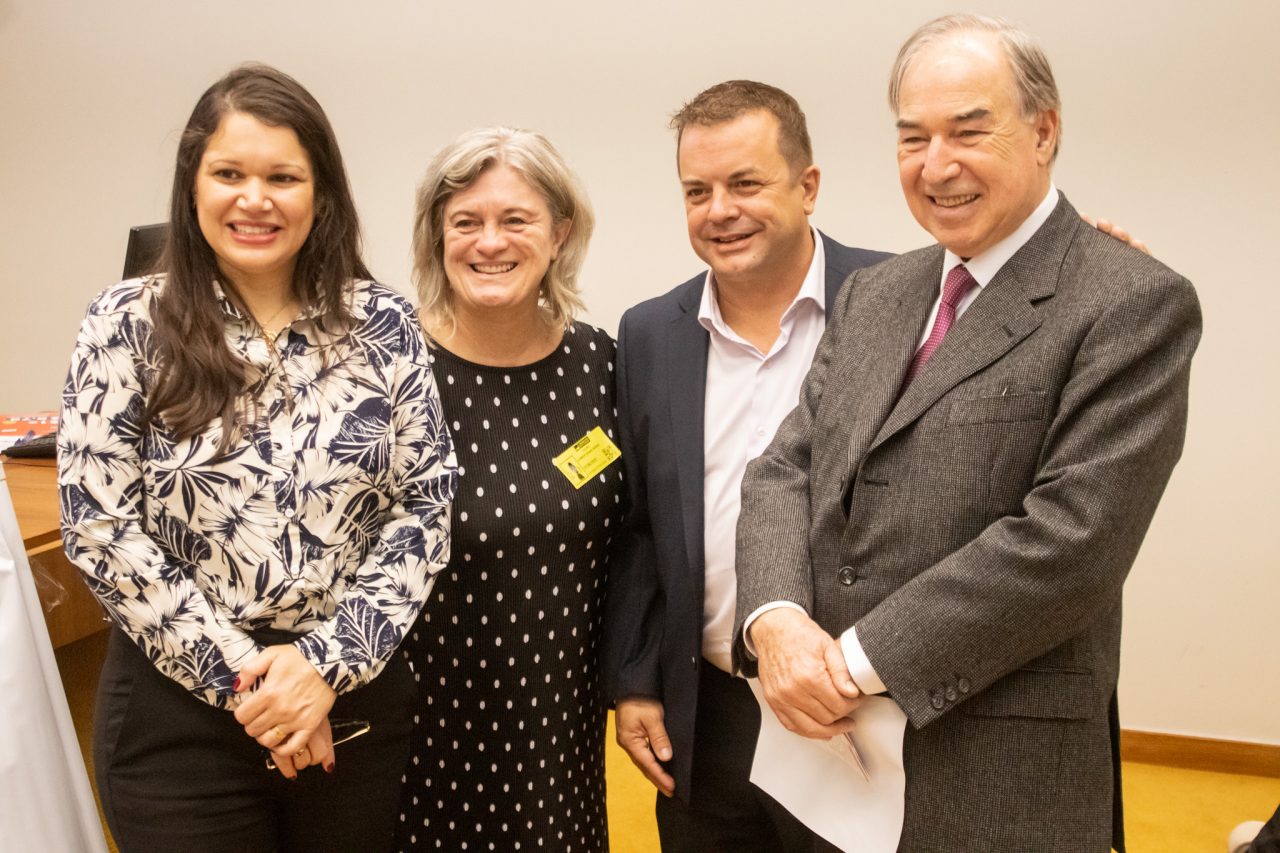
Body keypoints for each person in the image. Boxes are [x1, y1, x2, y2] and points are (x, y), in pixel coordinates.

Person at [735, 14, 1201, 852]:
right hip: (821, 772)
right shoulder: (875, 293)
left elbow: (1070, 543)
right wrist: (774, 621)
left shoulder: (1129, 301)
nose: (935, 164)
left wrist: (848, 664)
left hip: (992, 784)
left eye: (969, 130)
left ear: (1044, 131)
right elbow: (785, 468)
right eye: (912, 137)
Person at [58, 64, 457, 853]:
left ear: (322, 192)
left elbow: (425, 505)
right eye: (229, 174)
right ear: (192, 185)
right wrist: (252, 682)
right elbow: (98, 525)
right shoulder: (125, 323)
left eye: (282, 177)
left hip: (348, 706)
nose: (255, 198)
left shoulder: (384, 325)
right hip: (177, 727)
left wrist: (322, 668)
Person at [602, 81, 892, 851]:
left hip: (862, 711)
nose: (719, 210)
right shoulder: (649, 333)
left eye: (745, 183)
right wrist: (636, 677)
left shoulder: (902, 299)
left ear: (808, 186)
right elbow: (641, 524)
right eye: (696, 191)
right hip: (710, 716)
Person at [395, 127, 623, 852]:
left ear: (559, 234)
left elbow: (638, 539)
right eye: (465, 221)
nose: (489, 242)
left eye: (515, 219)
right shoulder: (392, 374)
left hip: (560, 741)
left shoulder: (604, 366)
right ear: (438, 237)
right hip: (419, 740)